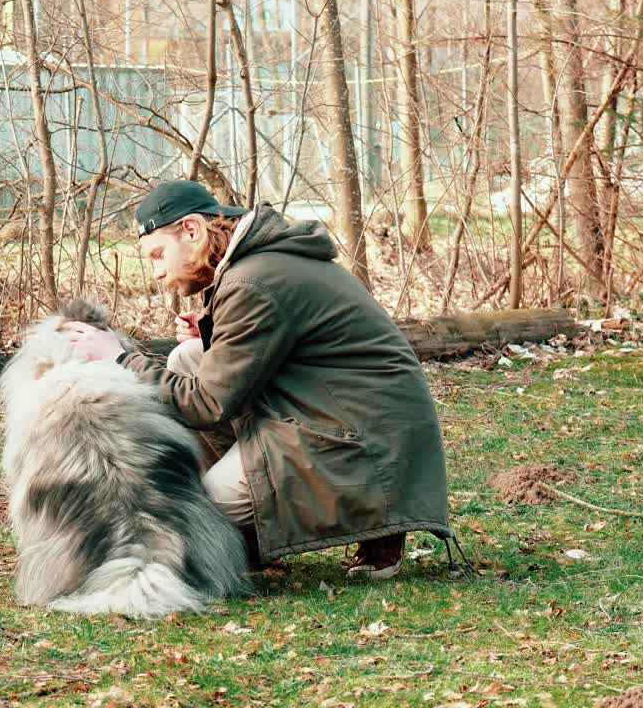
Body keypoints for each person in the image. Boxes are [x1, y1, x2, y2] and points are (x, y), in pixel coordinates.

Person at [65, 180, 452, 579]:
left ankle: (372, 521)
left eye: (158, 255)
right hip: (342, 410)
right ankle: (250, 534)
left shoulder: (252, 281)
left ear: (192, 231)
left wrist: (121, 357)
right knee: (187, 357)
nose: (157, 272)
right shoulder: (261, 264)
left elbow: (206, 404)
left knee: (202, 511)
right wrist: (216, 333)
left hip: (363, 437)